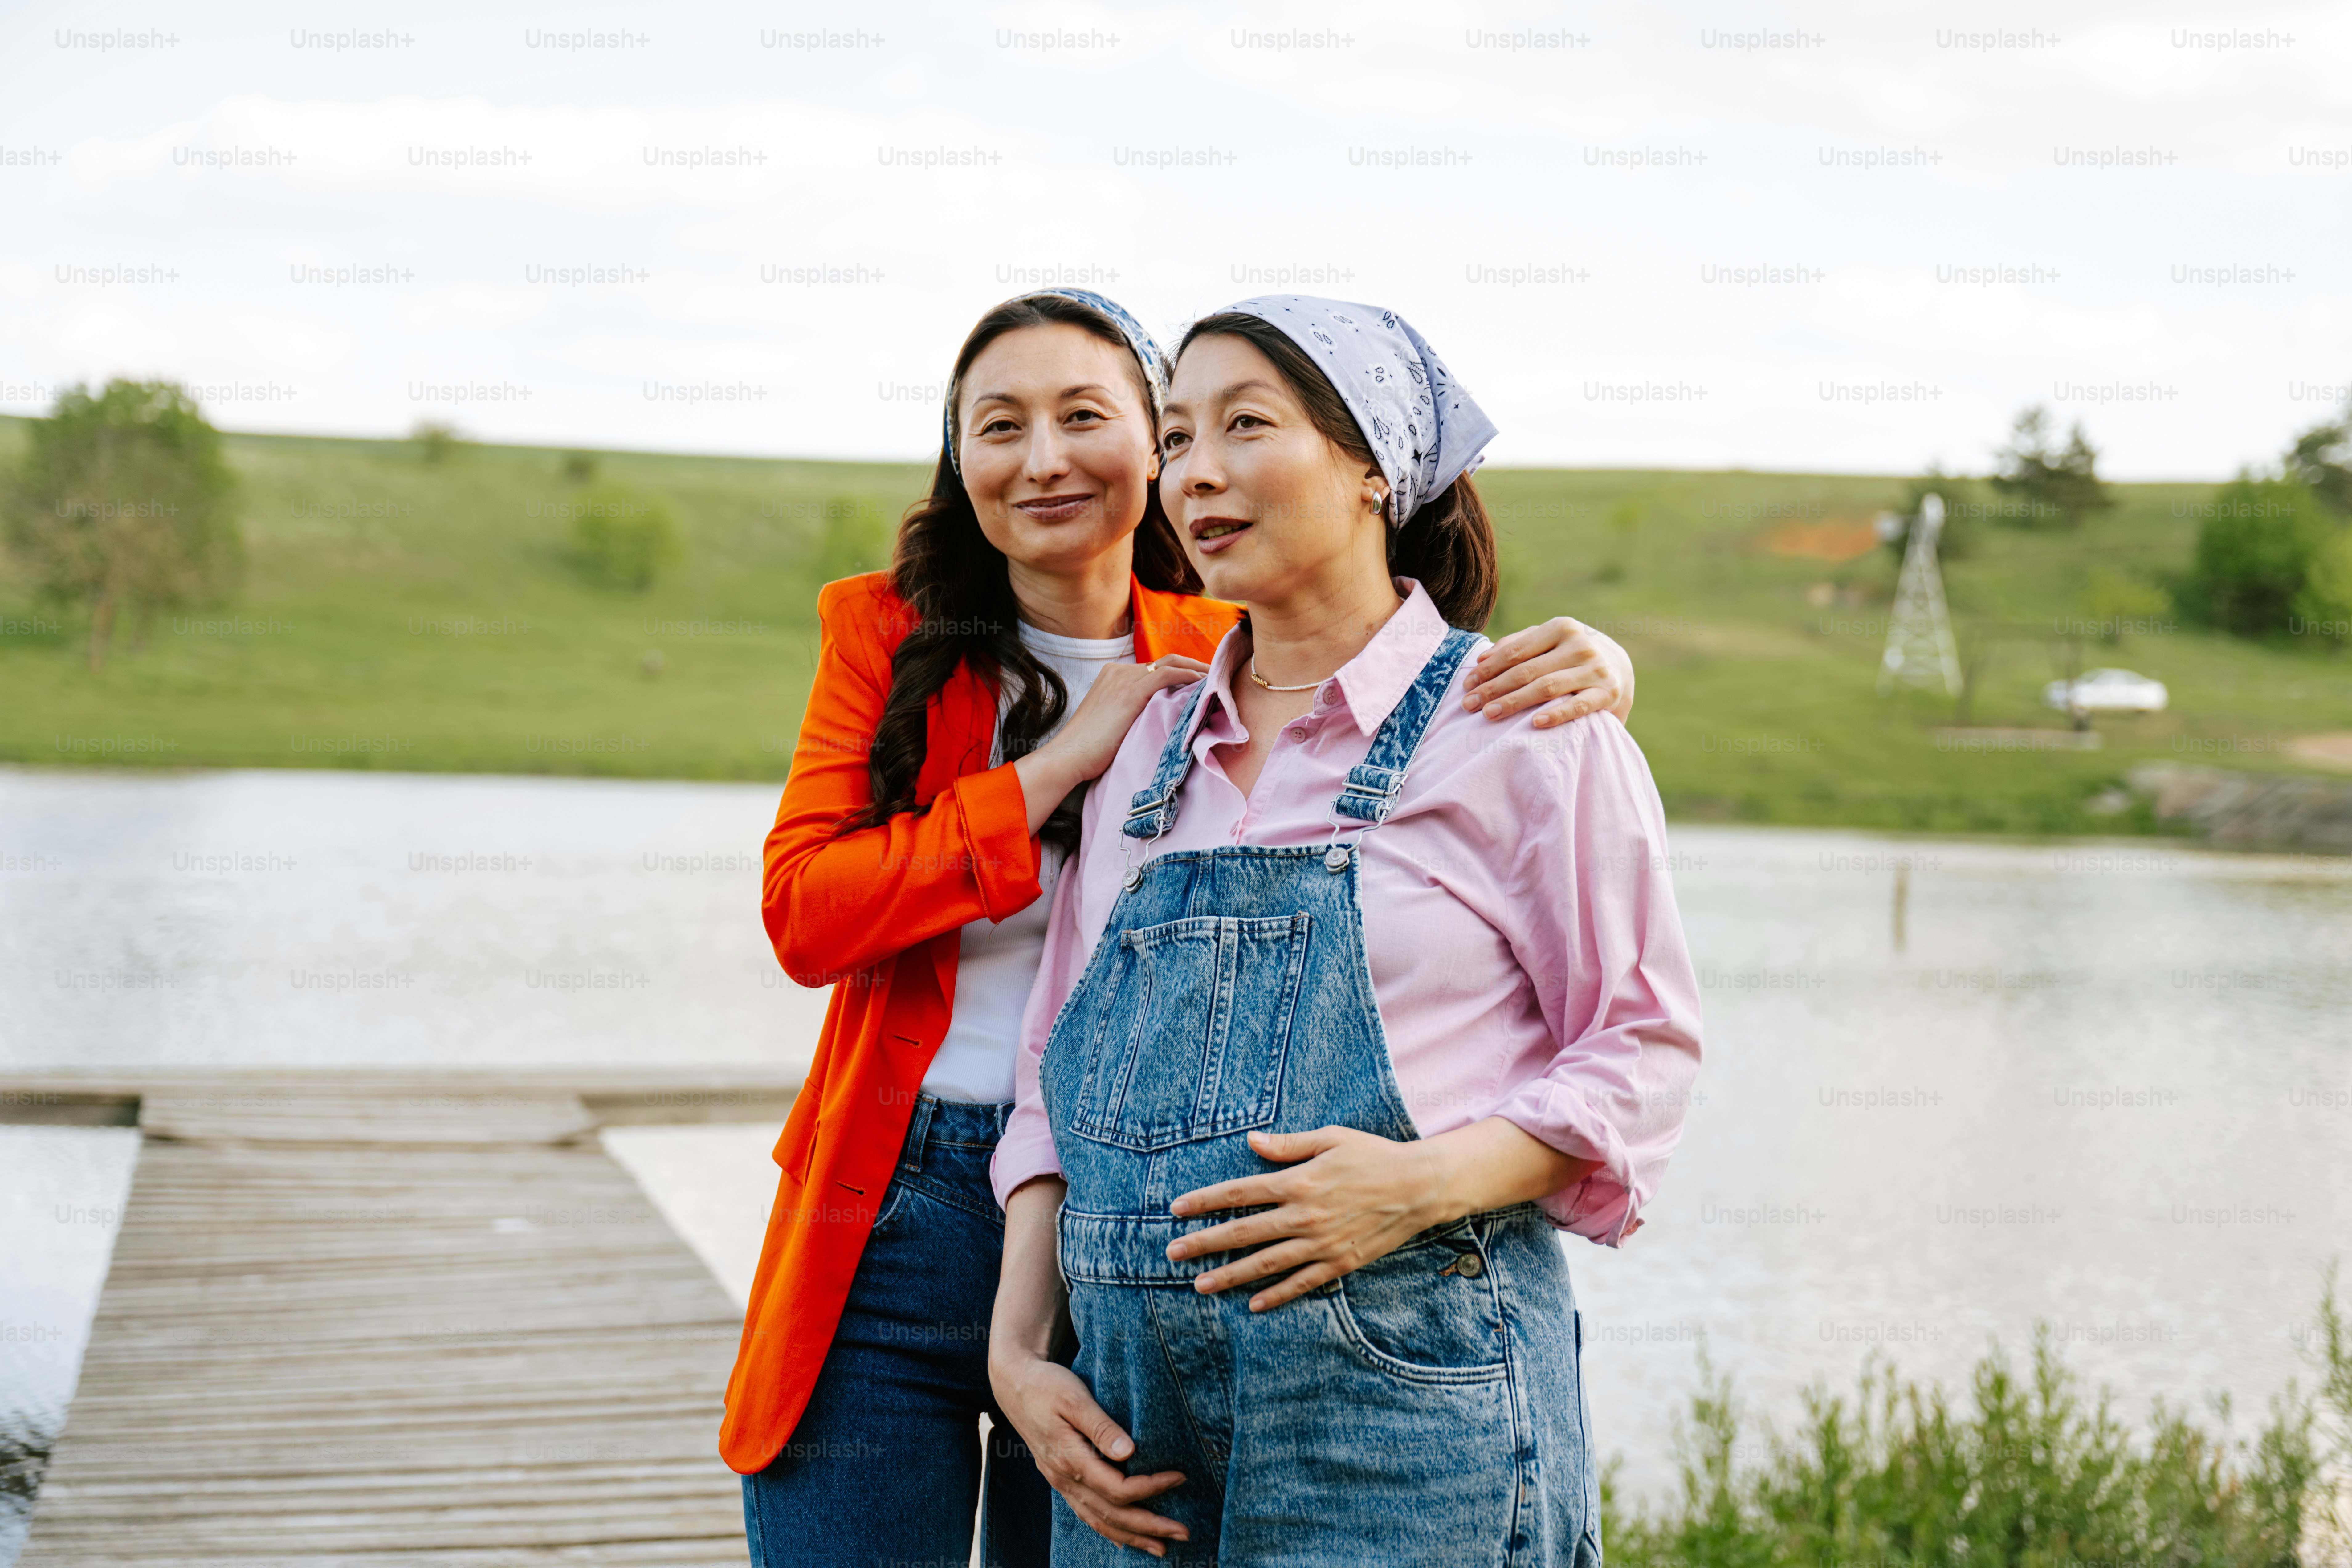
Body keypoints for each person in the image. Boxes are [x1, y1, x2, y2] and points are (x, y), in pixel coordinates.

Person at [723, 289, 1643, 1568]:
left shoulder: (1223, 651)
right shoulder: (916, 646)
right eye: (997, 424)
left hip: (1166, 1251)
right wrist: (1052, 768)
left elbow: (1409, 676)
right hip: (912, 1201)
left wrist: (1603, 664)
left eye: (1090, 417)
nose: (1042, 457)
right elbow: (809, 917)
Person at [987, 297, 1703, 1565]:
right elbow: (1052, 1073)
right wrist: (1018, 1349)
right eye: (1176, 435)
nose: (1193, 471)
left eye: (1245, 425)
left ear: (1373, 467)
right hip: (1123, 1436)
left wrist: (1415, 1186)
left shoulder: (1525, 728)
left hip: (1404, 1410)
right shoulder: (1147, 745)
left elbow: (1639, 1052)